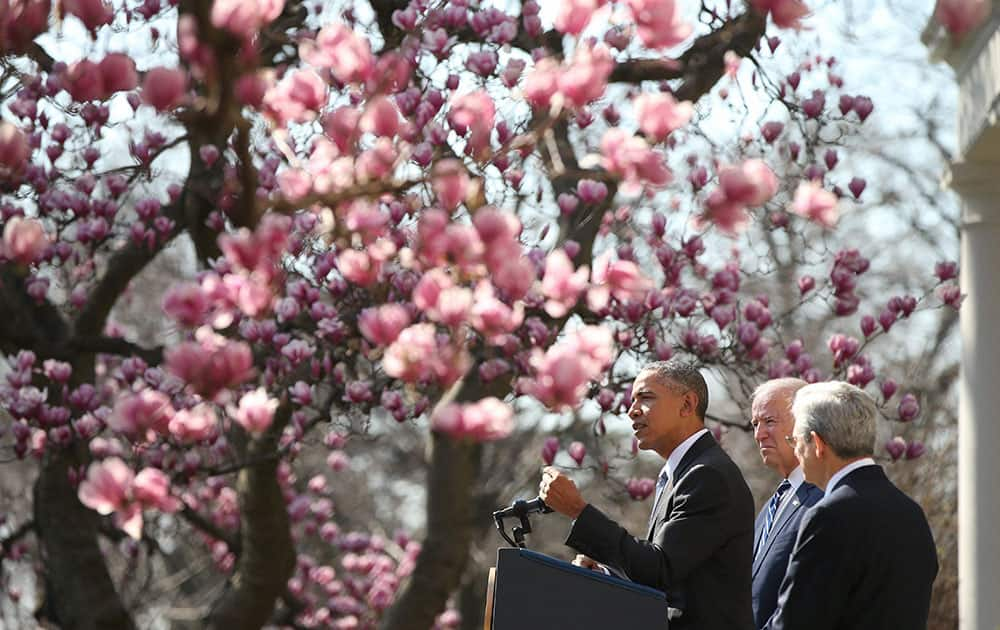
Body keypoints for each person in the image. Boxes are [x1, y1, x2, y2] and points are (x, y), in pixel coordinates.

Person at [539, 361, 755, 630]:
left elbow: (660, 570)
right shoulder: (683, 472)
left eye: (646, 397)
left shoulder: (708, 475)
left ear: (687, 405)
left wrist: (578, 510)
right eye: (631, 400)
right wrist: (608, 573)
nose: (631, 411)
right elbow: (667, 570)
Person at [763, 381, 938, 630]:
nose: (797, 451)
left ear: (817, 444)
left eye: (796, 441)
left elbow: (794, 622)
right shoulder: (911, 513)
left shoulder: (829, 517)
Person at [748, 378, 824, 628]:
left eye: (770, 421)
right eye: (755, 424)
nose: (759, 434)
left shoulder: (823, 499)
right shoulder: (773, 504)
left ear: (804, 422)